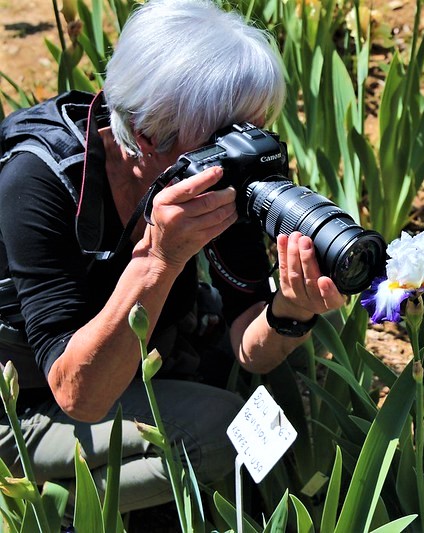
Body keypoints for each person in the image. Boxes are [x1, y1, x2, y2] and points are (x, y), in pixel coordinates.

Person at [0, 0, 346, 514]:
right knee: (227, 433)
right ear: (144, 135)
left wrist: (290, 312)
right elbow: (78, 394)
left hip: (145, 346)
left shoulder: (213, 169)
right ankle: (52, 509)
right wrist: (160, 259)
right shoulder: (37, 181)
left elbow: (248, 342)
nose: (241, 148)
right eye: (222, 136)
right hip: (25, 396)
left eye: (251, 128)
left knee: (281, 409)